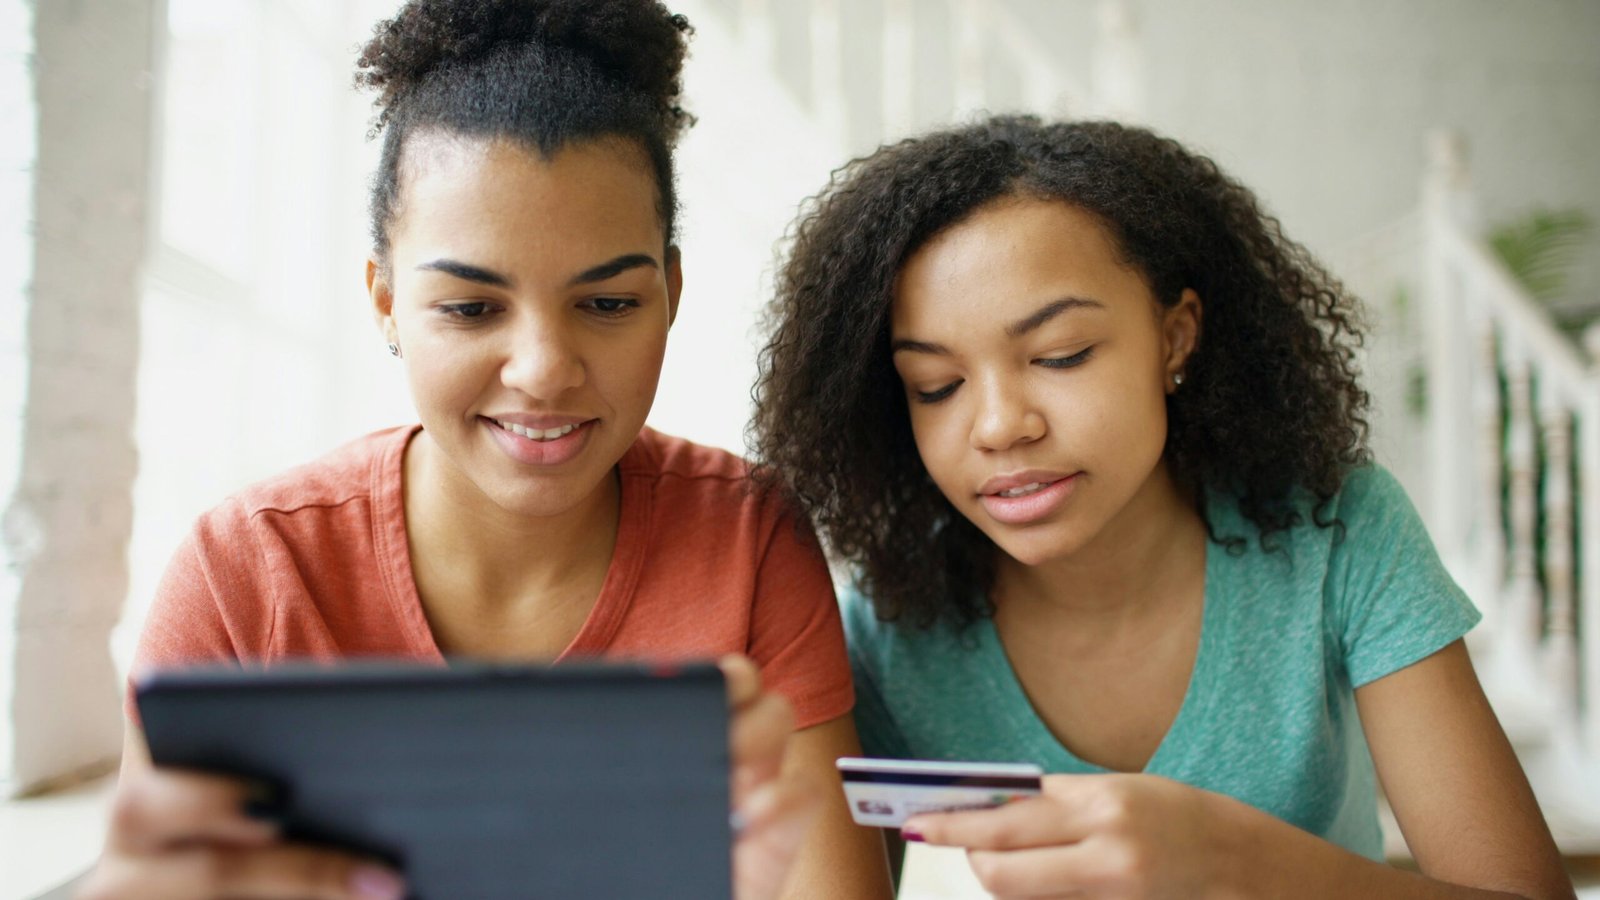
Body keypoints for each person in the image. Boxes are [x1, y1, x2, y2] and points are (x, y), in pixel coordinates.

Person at [81, 2, 893, 898]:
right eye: (470, 309)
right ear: (385, 300)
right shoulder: (247, 573)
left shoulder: (749, 541)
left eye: (609, 303)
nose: (544, 372)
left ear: (669, 291)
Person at [751, 115, 1575, 898]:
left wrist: (1232, 864)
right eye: (937, 386)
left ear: (1174, 338)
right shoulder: (891, 631)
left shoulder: (1338, 534)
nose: (1000, 425)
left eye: (1061, 355)